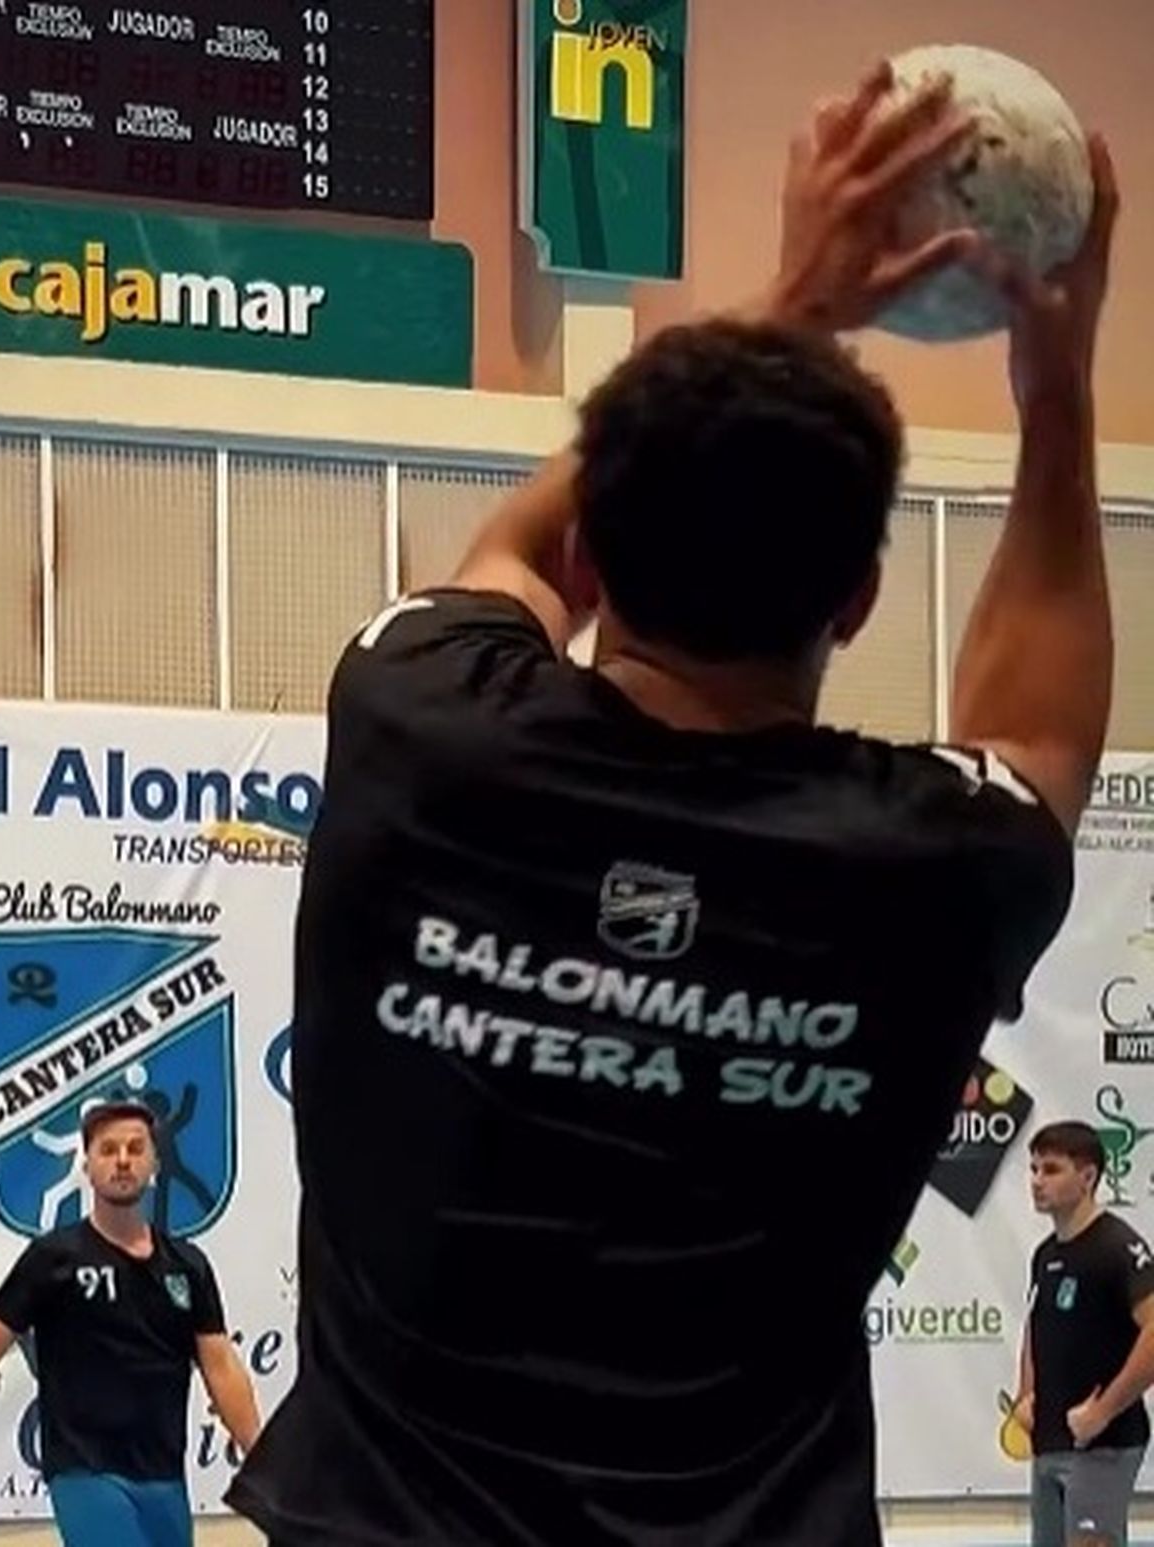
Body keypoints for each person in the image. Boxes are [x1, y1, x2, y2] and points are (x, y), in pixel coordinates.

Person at [227, 62, 1120, 1547]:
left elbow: (526, 544)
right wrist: (1060, 390)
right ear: (862, 595)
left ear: (599, 563)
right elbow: (1035, 727)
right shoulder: (923, 863)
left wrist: (797, 299)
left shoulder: (425, 727)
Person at [0, 1100, 260, 1547]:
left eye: (134, 1148)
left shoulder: (188, 1266)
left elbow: (220, 1364)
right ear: (87, 1167)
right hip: (84, 1470)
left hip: (163, 1474)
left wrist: (258, 1452)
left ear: (155, 1163)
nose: (122, 1160)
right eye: (108, 1150)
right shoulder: (55, 1259)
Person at [1018, 1121, 1154, 1547]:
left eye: (1052, 1170)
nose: (1037, 1181)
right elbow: (1034, 1327)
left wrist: (1105, 1411)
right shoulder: (1046, 1253)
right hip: (1050, 1441)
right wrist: (1026, 1393)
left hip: (1103, 1444)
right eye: (1034, 1169)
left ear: (1088, 1177)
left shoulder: (1117, 1248)